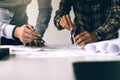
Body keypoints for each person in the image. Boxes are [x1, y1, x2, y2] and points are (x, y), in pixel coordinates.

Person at [54, 0, 120, 48]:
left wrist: (97, 35)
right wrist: (61, 19)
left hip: (107, 44)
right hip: (80, 44)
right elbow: (61, 11)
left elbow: (117, 17)